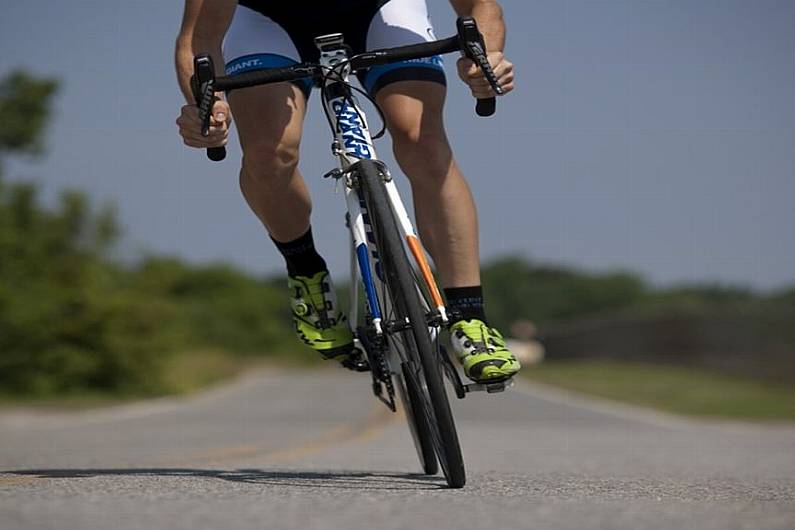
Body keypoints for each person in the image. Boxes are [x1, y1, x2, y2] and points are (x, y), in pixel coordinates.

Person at [175, 0, 520, 383]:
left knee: (422, 141)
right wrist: (207, 107)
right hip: (268, 19)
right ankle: (305, 272)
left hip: (382, 10)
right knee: (268, 153)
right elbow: (198, 38)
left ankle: (470, 317)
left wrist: (485, 59)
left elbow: (480, 6)